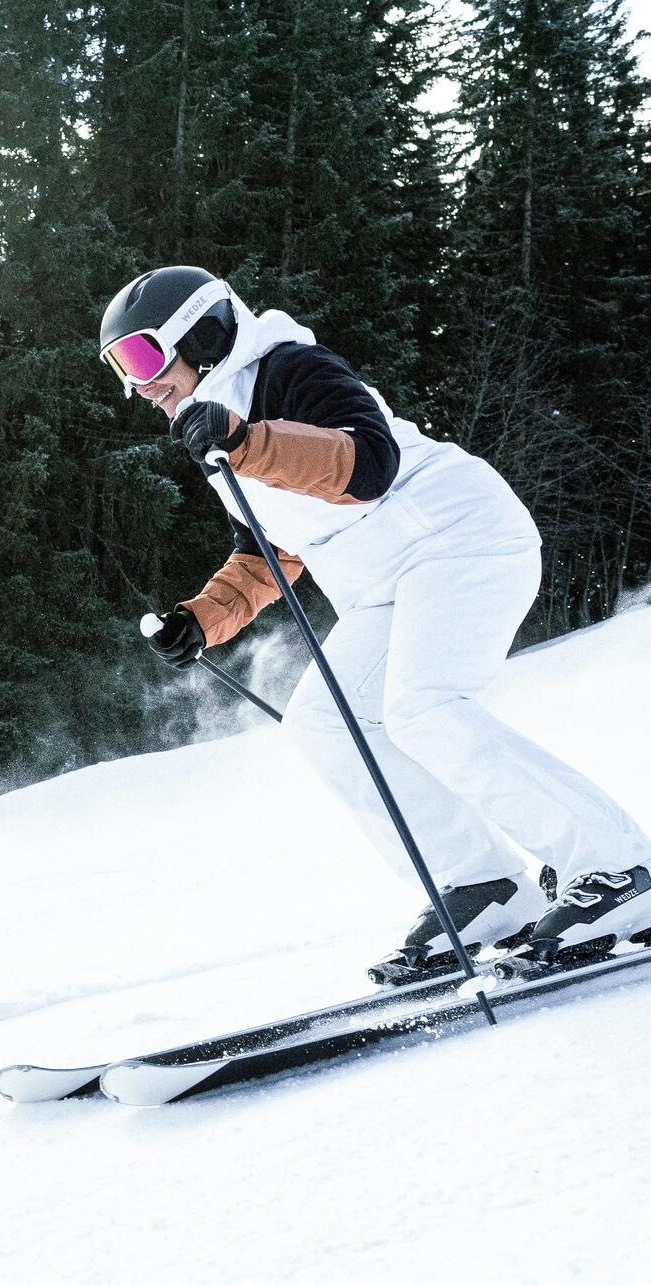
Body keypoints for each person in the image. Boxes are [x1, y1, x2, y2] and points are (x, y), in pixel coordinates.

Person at [103, 265, 651, 982]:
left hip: (460, 537)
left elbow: (368, 466)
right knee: (323, 722)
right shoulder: (218, 425)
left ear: (201, 336)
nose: (138, 385)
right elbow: (273, 551)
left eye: (143, 357)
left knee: (420, 707)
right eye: (120, 369)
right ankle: (482, 883)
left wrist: (245, 440)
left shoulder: (288, 368)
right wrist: (202, 620)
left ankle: (615, 867)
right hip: (387, 584)